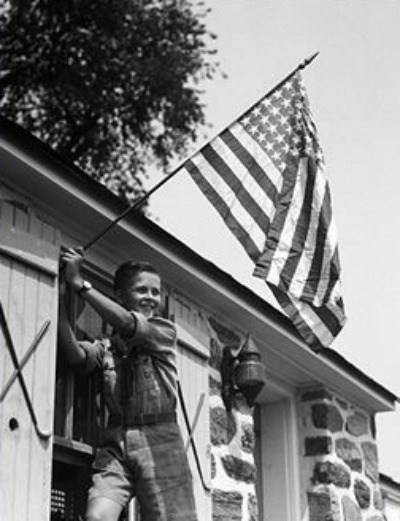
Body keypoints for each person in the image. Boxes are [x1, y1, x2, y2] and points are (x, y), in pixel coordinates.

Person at [58, 248, 198, 521]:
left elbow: (127, 323)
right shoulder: (106, 347)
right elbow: (75, 355)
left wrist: (79, 284)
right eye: (142, 290)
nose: (151, 298)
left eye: (155, 292)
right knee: (97, 516)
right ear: (120, 296)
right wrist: (61, 297)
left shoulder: (163, 330)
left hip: (161, 440)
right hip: (117, 442)